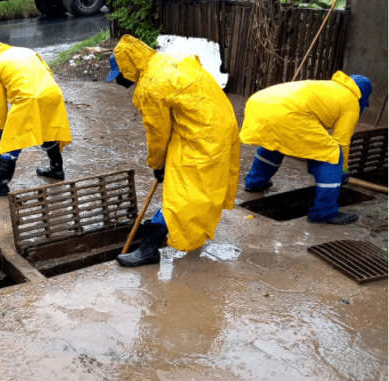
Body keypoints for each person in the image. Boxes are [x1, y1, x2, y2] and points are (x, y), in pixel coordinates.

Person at [107, 35, 240, 267]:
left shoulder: (151, 85)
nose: (119, 82)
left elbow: (158, 133)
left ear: (128, 68)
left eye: (119, 76)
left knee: (182, 193)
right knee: (200, 189)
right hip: (220, 121)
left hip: (203, 134)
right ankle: (190, 234)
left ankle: (149, 249)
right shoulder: (165, 62)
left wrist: (158, 164)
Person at [239, 72, 372, 225]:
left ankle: (255, 183)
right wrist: (343, 170)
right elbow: (341, 142)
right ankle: (324, 212)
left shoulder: (329, 87)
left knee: (274, 143)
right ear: (362, 96)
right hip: (288, 113)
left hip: (259, 103)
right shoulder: (352, 102)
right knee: (333, 154)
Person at [0, 42, 72, 196]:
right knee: (49, 131)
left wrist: (1, 129)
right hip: (52, 93)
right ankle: (57, 169)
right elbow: (47, 71)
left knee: (10, 141)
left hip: (27, 98)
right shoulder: (26, 51)